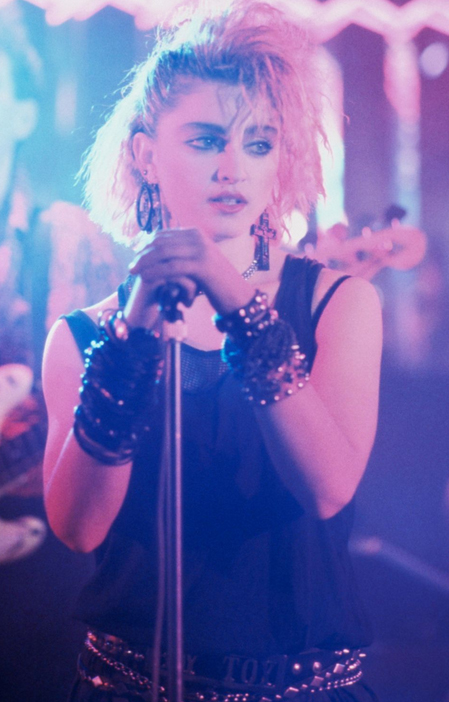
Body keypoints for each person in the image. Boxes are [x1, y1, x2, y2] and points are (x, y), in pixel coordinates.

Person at [42, 2, 382, 700]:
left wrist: (237, 301)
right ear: (146, 154)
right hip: (128, 686)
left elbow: (326, 487)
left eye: (258, 144)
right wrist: (132, 338)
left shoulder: (339, 304)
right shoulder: (84, 335)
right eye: (206, 141)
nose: (233, 169)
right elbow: (77, 528)